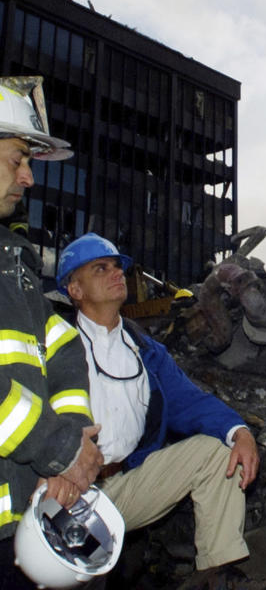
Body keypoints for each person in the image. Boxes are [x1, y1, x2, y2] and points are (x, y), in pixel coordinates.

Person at [55, 232, 259, 584]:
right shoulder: (53, 346)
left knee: (217, 453)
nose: (117, 273)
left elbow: (189, 400)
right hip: (64, 492)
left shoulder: (144, 350)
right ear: (75, 289)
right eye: (101, 268)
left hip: (123, 485)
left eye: (118, 266)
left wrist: (239, 432)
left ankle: (216, 574)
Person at [0, 79, 102, 589]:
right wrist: (58, 449)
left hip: (23, 507)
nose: (28, 178)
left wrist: (74, 431)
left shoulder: (10, 256)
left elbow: (60, 343)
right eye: (18, 158)